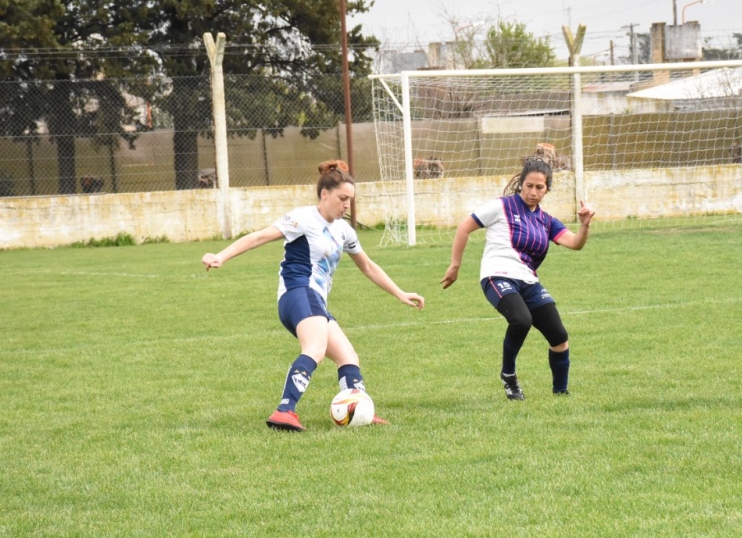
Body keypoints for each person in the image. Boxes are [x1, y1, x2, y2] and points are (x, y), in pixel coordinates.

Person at [201, 160, 425, 431]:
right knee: (315, 349)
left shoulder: (344, 231)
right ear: (324, 194)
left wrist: (400, 293)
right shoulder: (303, 218)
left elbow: (367, 266)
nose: (346, 205)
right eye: (342, 198)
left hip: (314, 301)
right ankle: (285, 410)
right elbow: (258, 237)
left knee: (348, 357)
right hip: (298, 293)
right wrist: (221, 256)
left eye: (350, 200)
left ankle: (359, 411)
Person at [441, 158, 594, 400]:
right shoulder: (501, 206)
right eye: (529, 185)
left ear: (547, 189)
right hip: (496, 276)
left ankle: (561, 394)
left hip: (528, 282)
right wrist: (455, 266)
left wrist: (584, 226)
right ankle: (508, 375)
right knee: (521, 320)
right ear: (521, 184)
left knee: (559, 337)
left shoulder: (547, 221)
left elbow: (575, 244)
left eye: (539, 187)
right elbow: (464, 228)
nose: (533, 192)